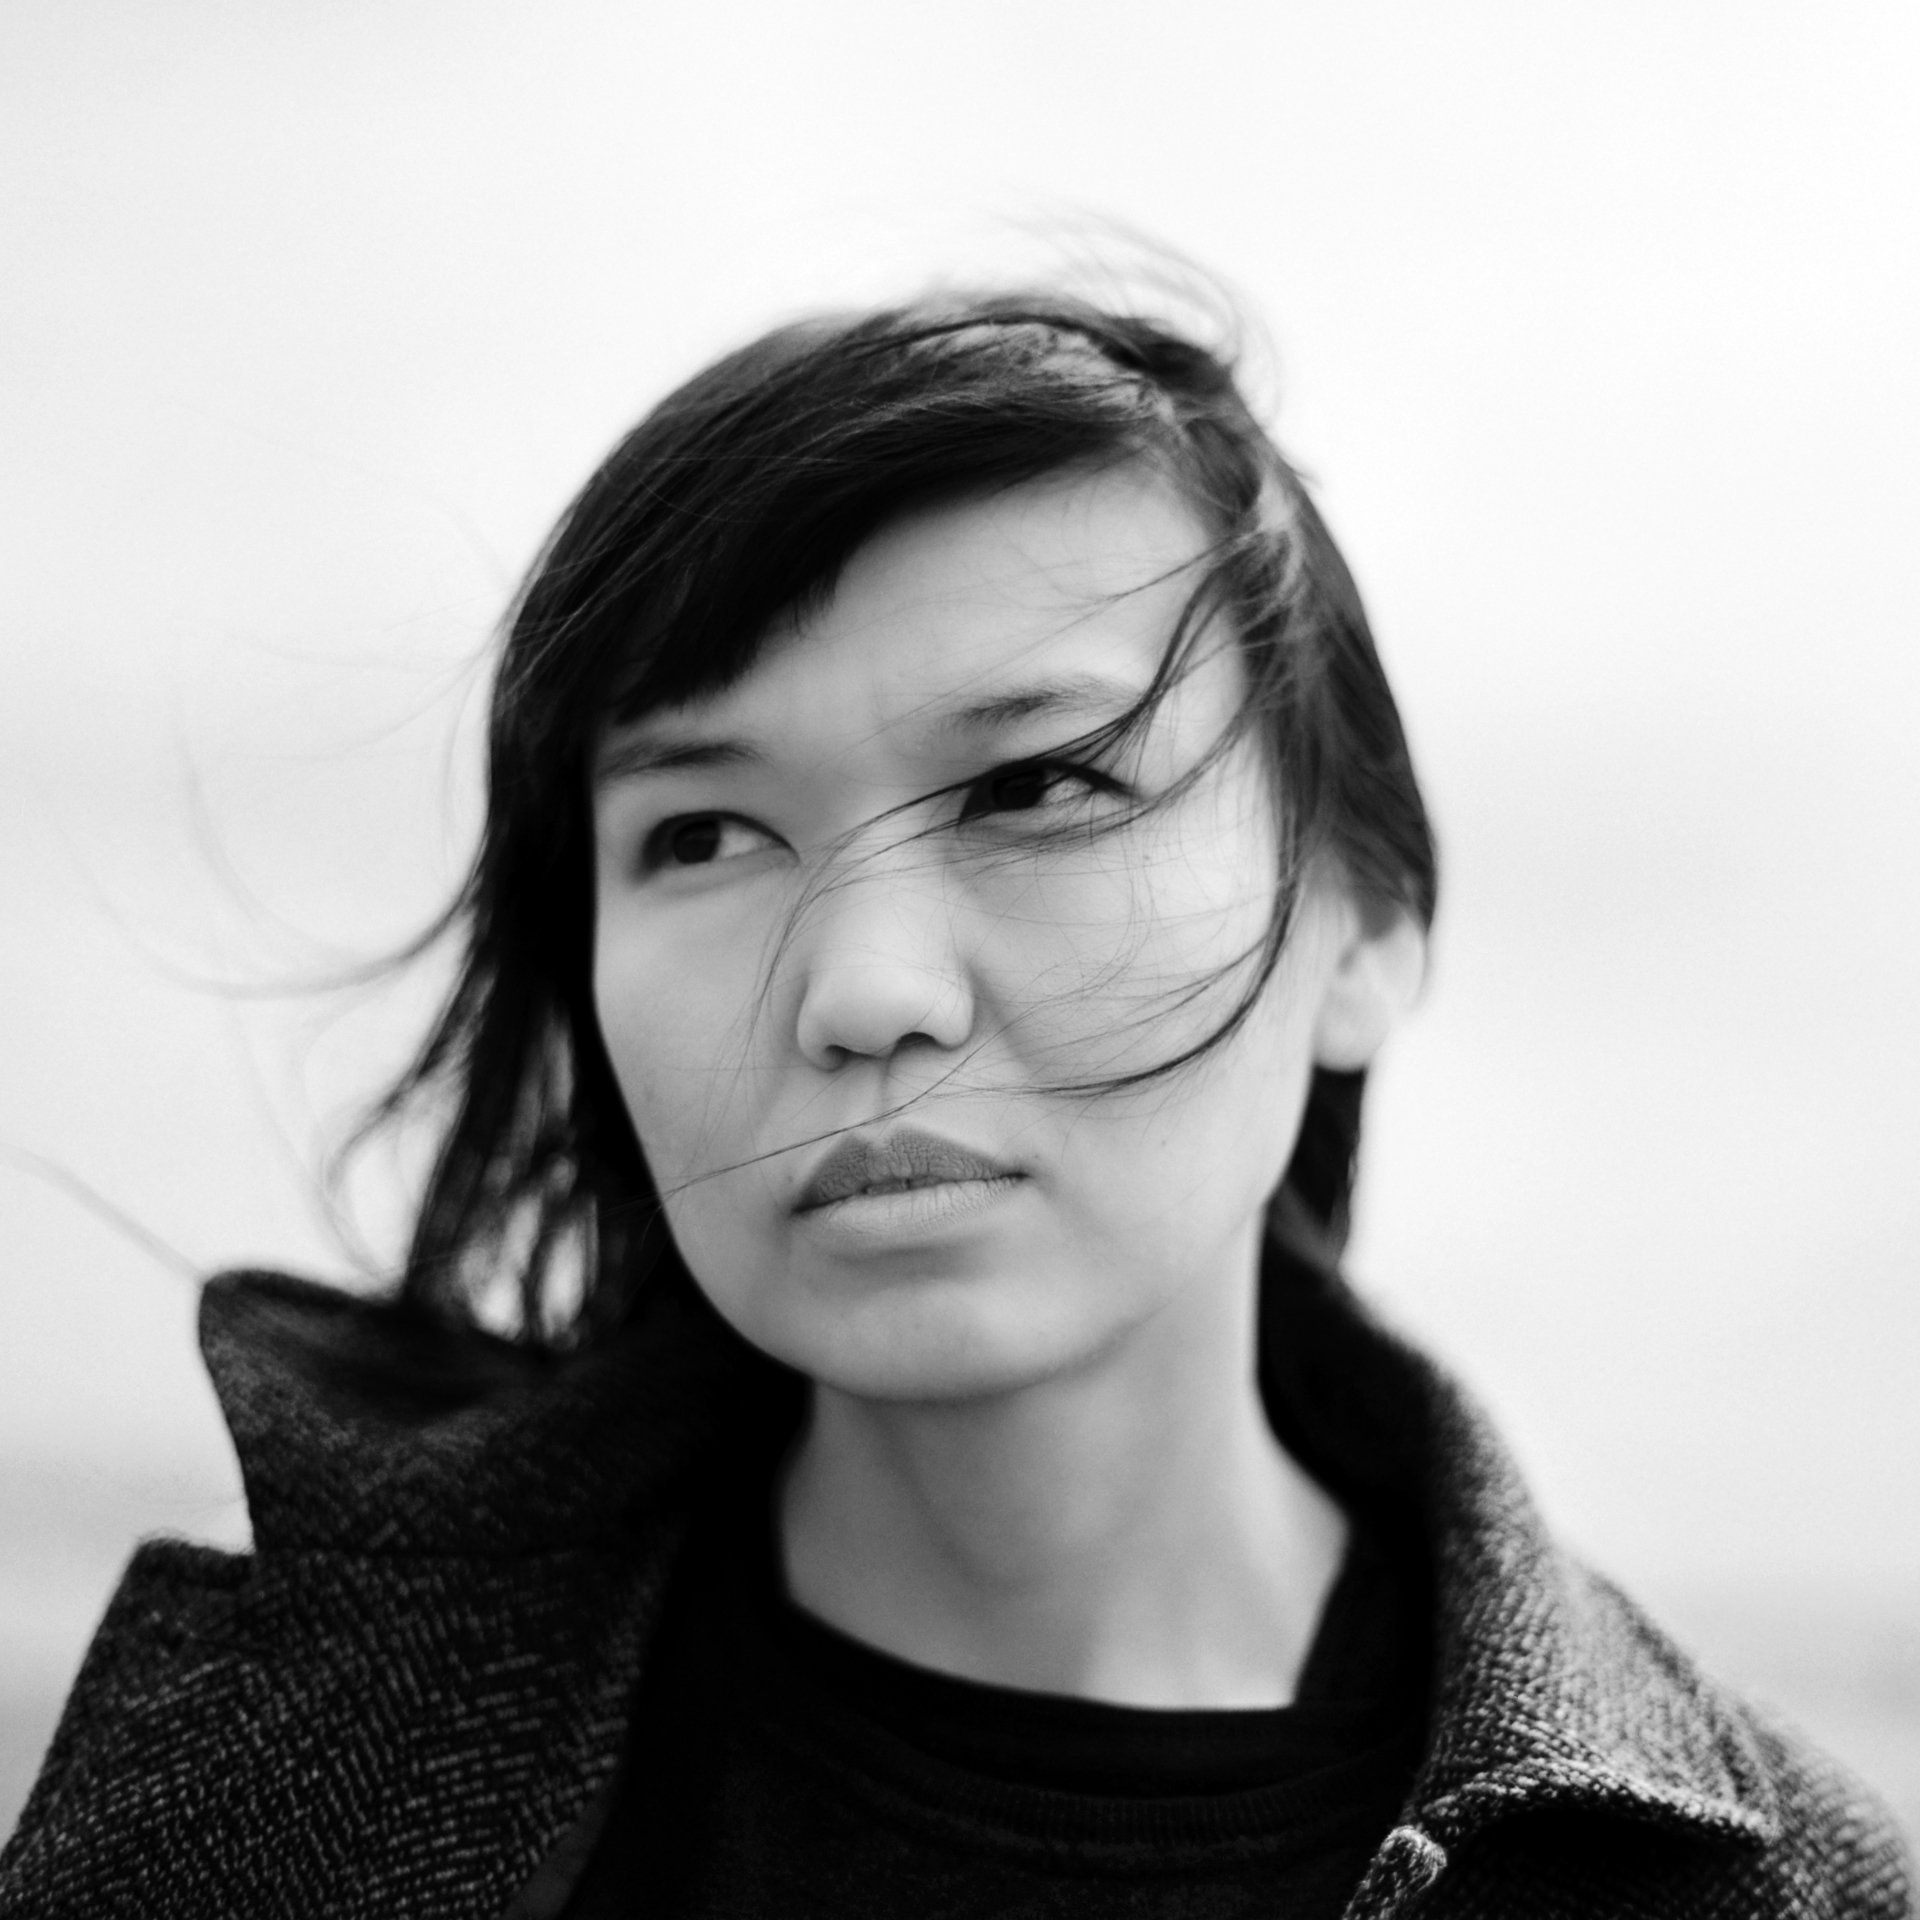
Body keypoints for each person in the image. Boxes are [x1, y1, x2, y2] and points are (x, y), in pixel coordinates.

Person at [0, 290, 1909, 1919]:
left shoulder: (1772, 1887)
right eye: (704, 832)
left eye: (1038, 788)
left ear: (1366, 918)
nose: (864, 992)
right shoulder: (263, 1769)